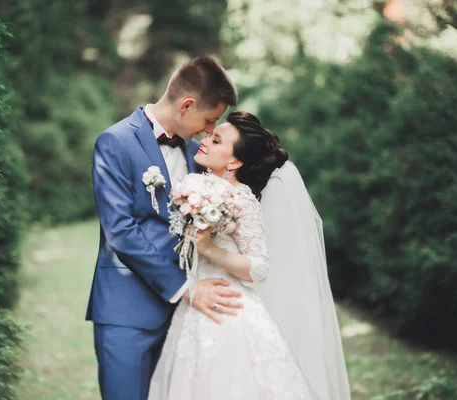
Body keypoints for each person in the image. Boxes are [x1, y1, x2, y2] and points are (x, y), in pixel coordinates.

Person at [148, 111, 350, 399]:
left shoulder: (241, 199)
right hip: (196, 306)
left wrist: (209, 248)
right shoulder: (199, 186)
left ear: (234, 161)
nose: (206, 139)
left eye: (216, 140)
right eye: (211, 135)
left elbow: (258, 267)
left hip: (230, 313)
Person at [86, 57, 240, 400]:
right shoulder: (114, 142)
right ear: (187, 105)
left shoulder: (193, 152)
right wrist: (187, 288)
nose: (208, 131)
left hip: (186, 321)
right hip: (128, 313)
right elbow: (120, 232)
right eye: (209, 120)